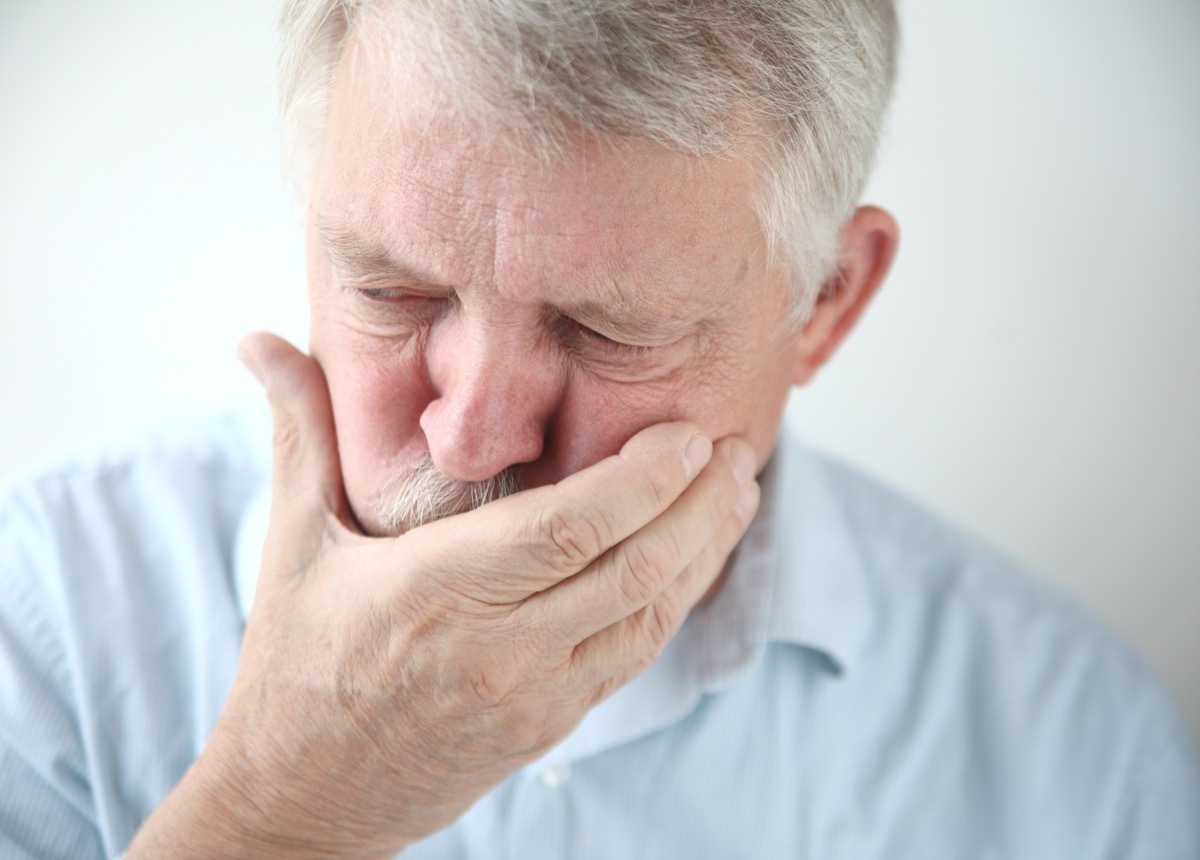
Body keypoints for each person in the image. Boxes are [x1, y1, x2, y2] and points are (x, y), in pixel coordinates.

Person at [1, 0, 1197, 857]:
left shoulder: (1073, 751)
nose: (471, 437)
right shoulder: (42, 622)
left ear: (823, 302)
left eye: (603, 329)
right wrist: (281, 814)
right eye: (392, 291)